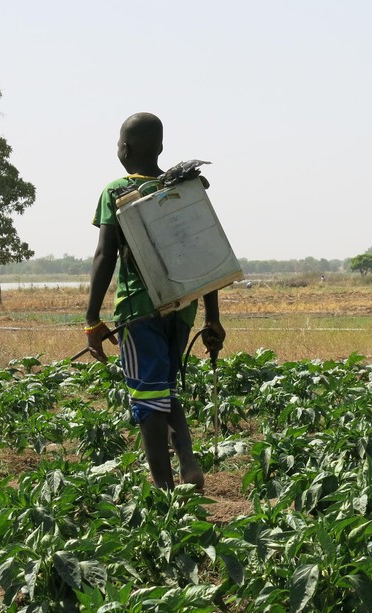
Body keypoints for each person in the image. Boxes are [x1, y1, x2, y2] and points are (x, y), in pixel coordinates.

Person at [83, 112, 225, 492]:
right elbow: (205, 257)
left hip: (137, 311)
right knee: (166, 388)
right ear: (160, 148)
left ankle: (164, 488)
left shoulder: (115, 192)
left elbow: (104, 256)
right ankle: (188, 461)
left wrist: (92, 318)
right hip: (182, 308)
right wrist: (212, 319)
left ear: (124, 149)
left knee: (148, 400)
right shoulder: (181, 190)